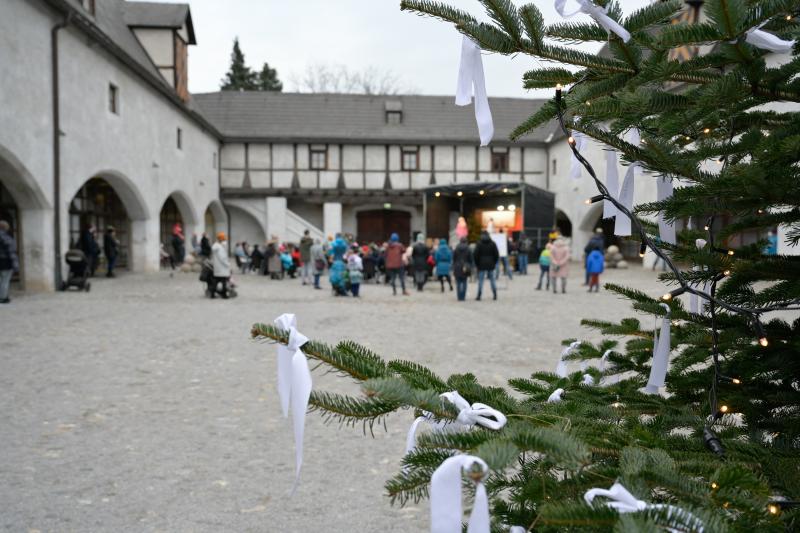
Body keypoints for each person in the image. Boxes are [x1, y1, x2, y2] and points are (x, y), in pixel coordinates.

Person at [473, 230, 499, 301]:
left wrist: (477, 264)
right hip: (491, 263)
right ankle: (495, 294)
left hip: (481, 264)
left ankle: (479, 295)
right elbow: (496, 255)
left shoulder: (479, 244)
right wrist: (494, 262)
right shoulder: (493, 243)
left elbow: (475, 255)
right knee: (492, 280)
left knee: (481, 281)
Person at [0, 220, 19, 304]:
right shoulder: (6, 238)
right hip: (5, 262)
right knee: (5, 280)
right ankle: (3, 297)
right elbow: (11, 252)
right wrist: (15, 265)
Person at [211, 231, 231, 298]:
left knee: (216, 281)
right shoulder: (220, 247)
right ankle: (224, 294)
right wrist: (228, 264)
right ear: (221, 239)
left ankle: (212, 294)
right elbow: (223, 258)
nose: (225, 240)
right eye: (224, 239)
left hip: (217, 268)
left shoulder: (216, 246)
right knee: (224, 282)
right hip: (222, 268)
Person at [452, 236, 473, 301]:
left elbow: (454, 258)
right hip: (465, 266)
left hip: (457, 266)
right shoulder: (468, 248)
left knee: (458, 282)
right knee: (464, 282)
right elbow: (471, 259)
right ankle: (463, 297)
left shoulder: (456, 248)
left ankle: (459, 296)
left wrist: (454, 265)